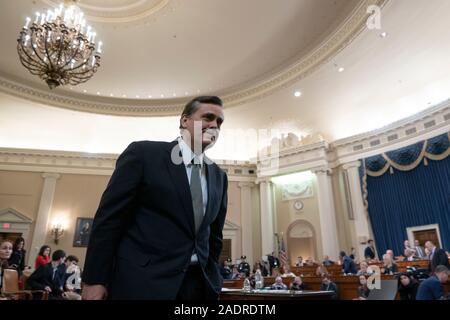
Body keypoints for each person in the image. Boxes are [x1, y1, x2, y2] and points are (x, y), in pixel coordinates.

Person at [82, 96, 228, 300]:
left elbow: (214, 237)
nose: (214, 125)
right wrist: (94, 280)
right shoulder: (144, 155)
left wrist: (213, 280)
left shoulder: (219, 176)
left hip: (197, 288)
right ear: (185, 121)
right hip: (142, 284)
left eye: (219, 122)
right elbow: (109, 220)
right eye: (208, 117)